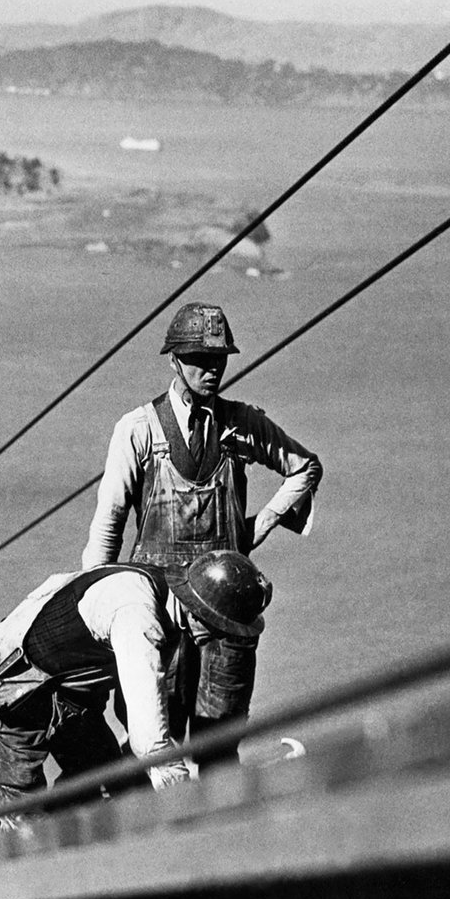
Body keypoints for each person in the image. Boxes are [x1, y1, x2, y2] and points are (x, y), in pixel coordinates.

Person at [0, 554, 271, 847]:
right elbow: (149, 740)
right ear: (199, 611)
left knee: (111, 797)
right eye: (218, 628)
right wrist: (187, 796)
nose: (215, 639)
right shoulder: (138, 618)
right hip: (1, 702)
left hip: (63, 700)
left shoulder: (158, 585)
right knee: (23, 839)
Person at [83, 301, 321, 764]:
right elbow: (106, 529)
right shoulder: (138, 431)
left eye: (219, 361)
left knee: (220, 742)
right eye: (199, 361)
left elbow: (304, 467)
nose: (212, 370)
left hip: (227, 611)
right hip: (159, 613)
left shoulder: (241, 426)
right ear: (175, 361)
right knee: (152, 743)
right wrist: (98, 617)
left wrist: (261, 525)